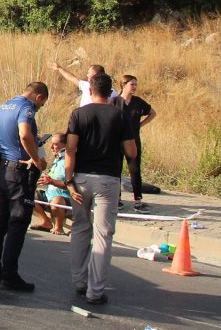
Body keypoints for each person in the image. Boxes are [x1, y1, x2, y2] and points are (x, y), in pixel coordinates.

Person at [65, 72, 137, 305]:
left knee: (79, 228)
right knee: (103, 234)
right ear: (111, 92)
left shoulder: (78, 114)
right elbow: (131, 152)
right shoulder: (120, 116)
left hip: (81, 179)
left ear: (90, 90)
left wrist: (68, 179)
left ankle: (79, 280)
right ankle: (95, 291)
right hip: (107, 179)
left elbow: (71, 149)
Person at [0, 81, 48, 292]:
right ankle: (9, 275)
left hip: (3, 171)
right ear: (38, 97)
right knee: (17, 224)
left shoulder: (2, 107)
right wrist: (36, 158)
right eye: (41, 105)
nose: (39, 109)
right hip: (19, 173)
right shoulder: (26, 109)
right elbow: (24, 134)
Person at [118, 75, 157, 213]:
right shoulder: (115, 101)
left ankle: (138, 200)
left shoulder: (138, 102)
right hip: (117, 141)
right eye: (131, 84)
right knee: (116, 170)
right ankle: (117, 199)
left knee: (134, 170)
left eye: (135, 84)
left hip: (133, 141)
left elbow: (152, 113)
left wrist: (141, 124)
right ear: (123, 85)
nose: (134, 87)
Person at [31, 134, 70, 235]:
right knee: (28, 194)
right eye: (51, 143)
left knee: (57, 200)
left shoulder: (69, 161)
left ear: (66, 145)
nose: (51, 147)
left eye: (55, 144)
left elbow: (71, 185)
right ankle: (46, 222)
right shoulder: (58, 159)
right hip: (50, 196)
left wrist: (51, 181)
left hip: (66, 200)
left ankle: (59, 227)